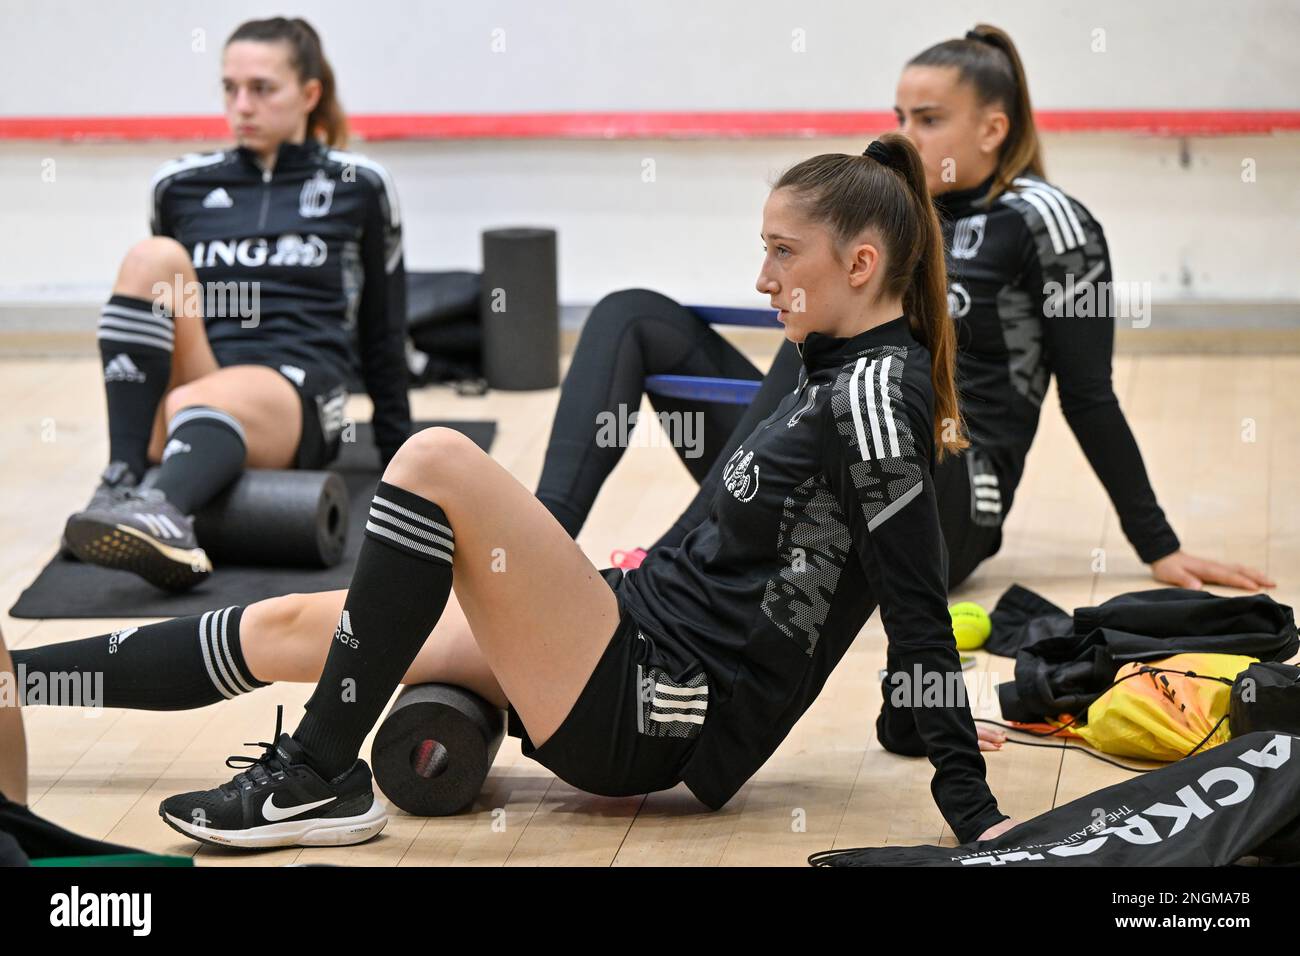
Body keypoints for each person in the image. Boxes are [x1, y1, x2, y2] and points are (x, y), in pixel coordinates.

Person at [135, 134, 1014, 849]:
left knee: (436, 458)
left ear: (861, 265)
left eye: (783, 253)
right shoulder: (821, 359)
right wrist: (907, 716)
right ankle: (25, 681)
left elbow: (914, 603)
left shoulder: (875, 398)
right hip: (625, 622)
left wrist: (973, 813)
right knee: (289, 625)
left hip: (657, 700)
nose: (762, 277)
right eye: (764, 250)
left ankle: (314, 775)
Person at [537, 24, 1275, 596]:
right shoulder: (896, 213)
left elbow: (1089, 394)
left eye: (929, 119)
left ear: (992, 129)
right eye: (900, 115)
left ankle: (661, 573)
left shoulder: (1049, 222)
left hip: (948, 503)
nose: (904, 135)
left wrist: (1158, 544)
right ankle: (537, 548)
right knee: (633, 314)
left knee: (835, 333)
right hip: (829, 463)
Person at [61, 16, 411, 592]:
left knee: (200, 399)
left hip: (296, 387)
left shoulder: (360, 183)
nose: (241, 105)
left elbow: (382, 325)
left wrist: (399, 454)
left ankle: (162, 509)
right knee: (153, 258)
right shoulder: (179, 183)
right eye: (230, 88)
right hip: (203, 377)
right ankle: (122, 479)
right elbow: (164, 317)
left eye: (262, 88)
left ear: (310, 93)